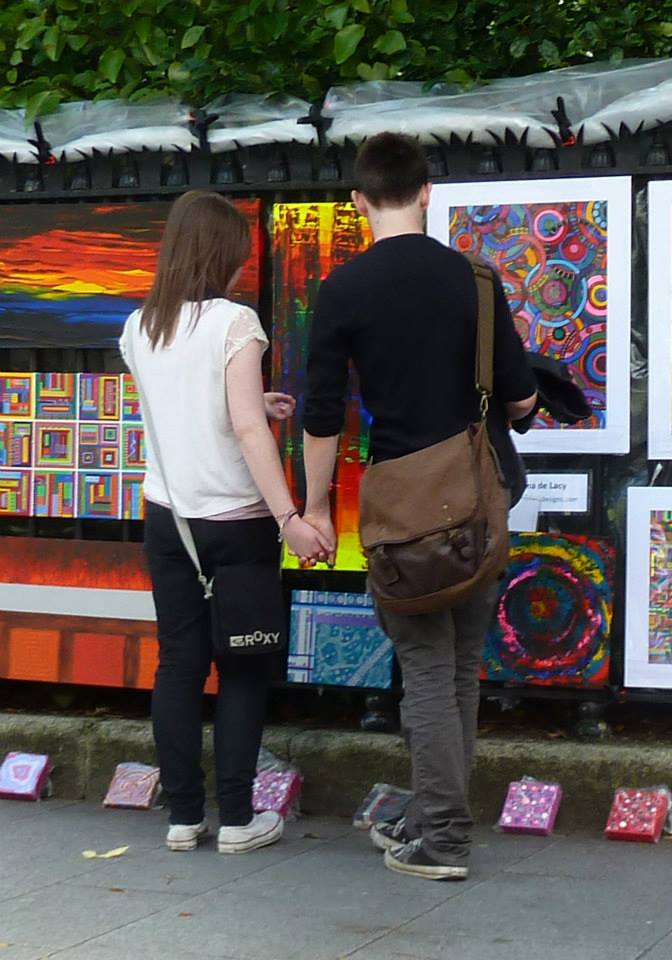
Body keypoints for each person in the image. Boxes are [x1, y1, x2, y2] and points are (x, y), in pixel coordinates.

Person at [302, 133, 537, 881]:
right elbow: (520, 398)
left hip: (403, 512)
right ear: (427, 191)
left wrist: (314, 508)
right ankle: (440, 822)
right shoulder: (477, 279)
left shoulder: (343, 290)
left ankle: (443, 838)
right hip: (477, 501)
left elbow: (321, 415)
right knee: (460, 667)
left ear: (358, 201)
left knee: (428, 669)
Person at [120, 190, 331, 856]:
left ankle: (183, 817)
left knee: (179, 665)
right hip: (238, 524)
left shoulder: (139, 326)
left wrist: (250, 401)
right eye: (239, 255)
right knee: (242, 668)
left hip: (169, 521)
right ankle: (238, 818)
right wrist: (290, 516)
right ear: (220, 254)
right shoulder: (234, 323)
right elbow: (244, 429)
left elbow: (184, 405)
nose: (243, 268)